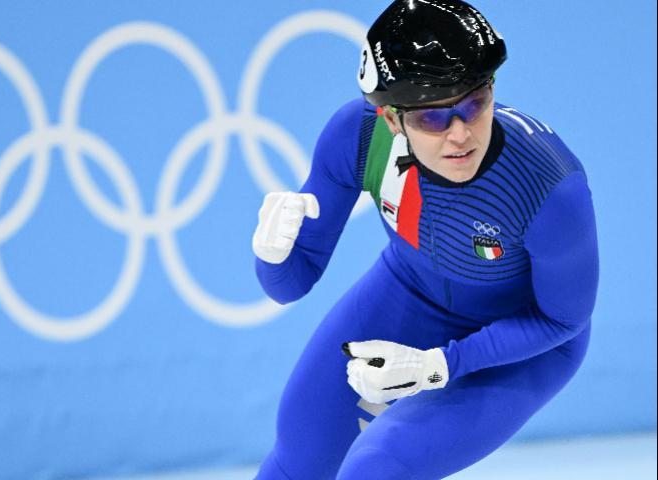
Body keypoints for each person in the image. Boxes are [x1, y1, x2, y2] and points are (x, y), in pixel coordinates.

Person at [250, 0, 599, 478]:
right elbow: (289, 285)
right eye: (432, 118)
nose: (460, 135)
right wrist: (271, 256)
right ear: (392, 119)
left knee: (378, 467)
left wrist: (441, 365)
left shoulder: (547, 186)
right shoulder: (359, 138)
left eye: (474, 104)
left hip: (525, 339)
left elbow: (562, 319)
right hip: (410, 292)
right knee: (301, 451)